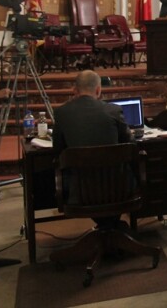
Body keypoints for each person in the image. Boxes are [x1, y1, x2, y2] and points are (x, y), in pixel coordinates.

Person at [52, 70, 132, 227]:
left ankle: (107, 228)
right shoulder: (113, 110)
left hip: (80, 191)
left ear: (75, 90)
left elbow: (58, 150)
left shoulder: (61, 113)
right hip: (118, 188)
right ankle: (111, 227)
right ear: (98, 90)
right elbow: (130, 144)